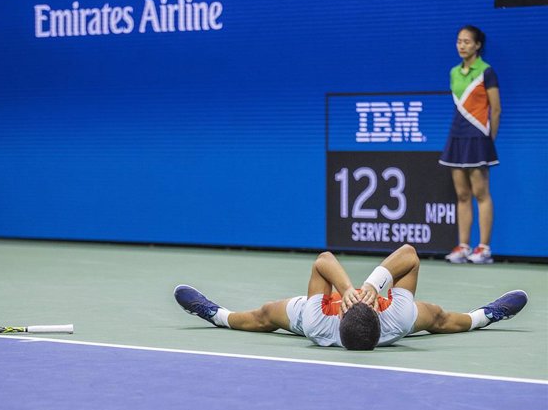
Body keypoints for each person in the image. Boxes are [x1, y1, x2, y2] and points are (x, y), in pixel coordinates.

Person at [174, 245, 528, 350]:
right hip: (384, 316)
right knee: (437, 317)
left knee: (267, 315)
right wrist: (375, 286)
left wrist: (346, 291)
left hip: (319, 311)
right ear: (378, 310)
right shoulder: (397, 318)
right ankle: (487, 315)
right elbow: (409, 254)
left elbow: (324, 261)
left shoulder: (318, 322)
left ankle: (215, 314)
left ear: (340, 315)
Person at [439, 25, 501, 264]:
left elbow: (495, 109)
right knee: (462, 194)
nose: (462, 45)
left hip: (478, 138)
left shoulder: (487, 72)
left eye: (467, 42)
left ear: (477, 45)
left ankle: (483, 248)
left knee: (481, 193)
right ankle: (463, 246)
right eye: (459, 41)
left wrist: (488, 139)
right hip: (457, 136)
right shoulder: (454, 72)